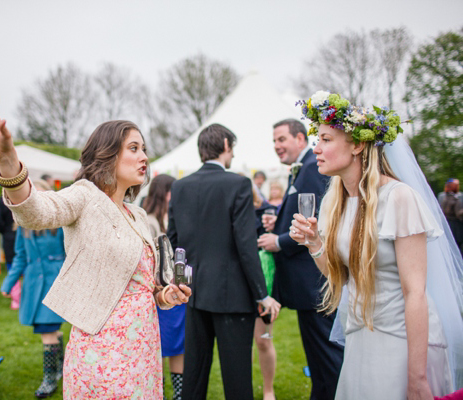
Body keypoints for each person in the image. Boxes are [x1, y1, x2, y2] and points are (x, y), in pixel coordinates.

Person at [0, 88, 191, 399]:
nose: (144, 156)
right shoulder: (85, 195)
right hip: (103, 349)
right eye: (133, 148)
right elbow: (36, 212)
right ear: (108, 153)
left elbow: (142, 287)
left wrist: (165, 295)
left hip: (144, 346)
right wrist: (9, 162)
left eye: (144, 149)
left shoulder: (138, 215)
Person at [290, 91, 461, 397]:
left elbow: (415, 293)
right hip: (361, 339)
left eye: (326, 140)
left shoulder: (399, 198)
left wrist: (417, 377)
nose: (316, 149)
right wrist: (314, 242)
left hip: (402, 342)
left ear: (357, 145)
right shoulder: (335, 200)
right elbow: (338, 276)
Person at [167, 123, 281, 400]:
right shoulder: (238, 183)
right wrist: (262, 294)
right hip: (233, 296)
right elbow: (245, 244)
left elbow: (173, 240)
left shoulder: (180, 186)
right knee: (237, 374)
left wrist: (182, 283)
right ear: (227, 145)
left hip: (193, 293)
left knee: (194, 372)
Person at [258, 118, 343, 400]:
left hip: (314, 282)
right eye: (274, 141)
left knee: (326, 354)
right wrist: (278, 222)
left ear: (300, 140)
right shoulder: (302, 169)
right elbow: (299, 213)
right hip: (308, 286)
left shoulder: (311, 168)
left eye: (281, 139)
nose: (277, 146)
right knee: (316, 357)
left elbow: (316, 220)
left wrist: (278, 241)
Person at [0, 179, 67, 398]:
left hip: (55, 283)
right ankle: (62, 367)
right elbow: (20, 256)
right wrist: (9, 283)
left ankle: (50, 378)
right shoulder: (23, 227)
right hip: (33, 284)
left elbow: (70, 254)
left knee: (47, 329)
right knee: (51, 329)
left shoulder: (60, 226)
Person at [143, 174, 185, 400]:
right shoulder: (148, 220)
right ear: (164, 193)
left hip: (175, 291)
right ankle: (155, 389)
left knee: (179, 344)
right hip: (156, 293)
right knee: (157, 345)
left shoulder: (174, 216)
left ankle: (179, 393)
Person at [0, 190, 19, 308]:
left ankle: (16, 299)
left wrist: (5, 232)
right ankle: (18, 297)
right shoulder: (23, 197)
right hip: (20, 233)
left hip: (10, 236)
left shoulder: (2, 200)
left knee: (13, 266)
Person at [439, 178, 463, 253]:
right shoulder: (458, 197)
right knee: (457, 242)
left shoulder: (442, 195)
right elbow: (458, 212)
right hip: (456, 223)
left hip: (446, 222)